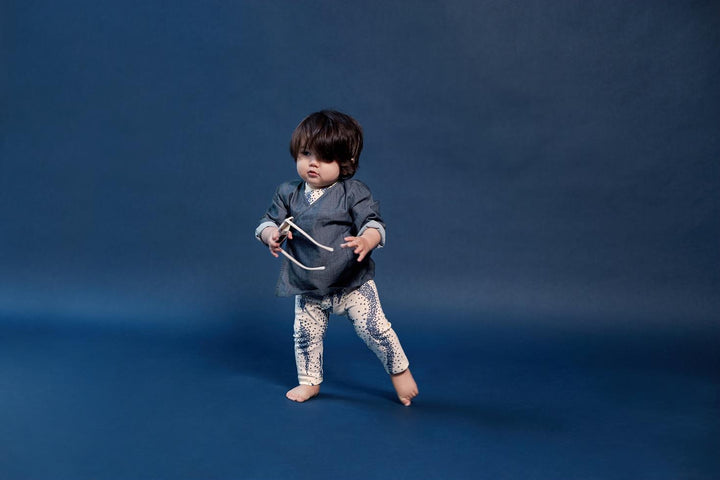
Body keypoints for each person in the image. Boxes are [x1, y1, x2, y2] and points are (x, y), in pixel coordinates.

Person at [255, 110, 419, 406]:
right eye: (306, 153)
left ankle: (399, 371)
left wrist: (367, 240)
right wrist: (271, 235)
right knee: (305, 335)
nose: (313, 163)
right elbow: (267, 221)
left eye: (325, 157)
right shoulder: (288, 193)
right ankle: (309, 382)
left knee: (375, 329)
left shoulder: (352, 193)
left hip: (351, 282)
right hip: (308, 284)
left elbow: (374, 223)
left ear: (345, 163)